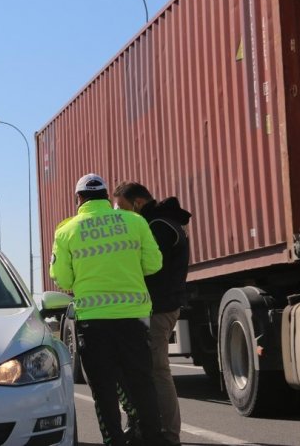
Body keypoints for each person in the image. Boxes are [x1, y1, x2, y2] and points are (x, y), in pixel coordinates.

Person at [50, 173, 166, 446]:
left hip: (93, 322)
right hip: (133, 319)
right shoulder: (135, 221)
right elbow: (154, 265)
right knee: (142, 384)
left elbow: (63, 280)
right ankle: (152, 438)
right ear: (105, 195)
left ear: (79, 199)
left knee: (103, 391)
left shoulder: (66, 231)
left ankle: (114, 440)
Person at [113, 181, 191, 446]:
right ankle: (147, 429)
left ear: (137, 203)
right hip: (157, 306)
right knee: (144, 370)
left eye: (122, 208)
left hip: (160, 308)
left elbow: (146, 267)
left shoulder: (158, 227)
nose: (120, 215)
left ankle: (169, 435)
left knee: (158, 370)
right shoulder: (161, 222)